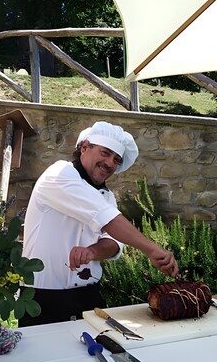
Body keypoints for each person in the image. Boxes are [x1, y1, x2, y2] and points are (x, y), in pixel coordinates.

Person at [19, 121, 179, 326]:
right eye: (105, 153)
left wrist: (92, 251)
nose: (110, 163)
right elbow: (108, 219)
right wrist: (152, 250)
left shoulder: (107, 196)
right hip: (43, 299)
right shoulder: (59, 174)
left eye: (116, 159)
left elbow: (113, 242)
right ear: (84, 147)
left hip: (89, 298)